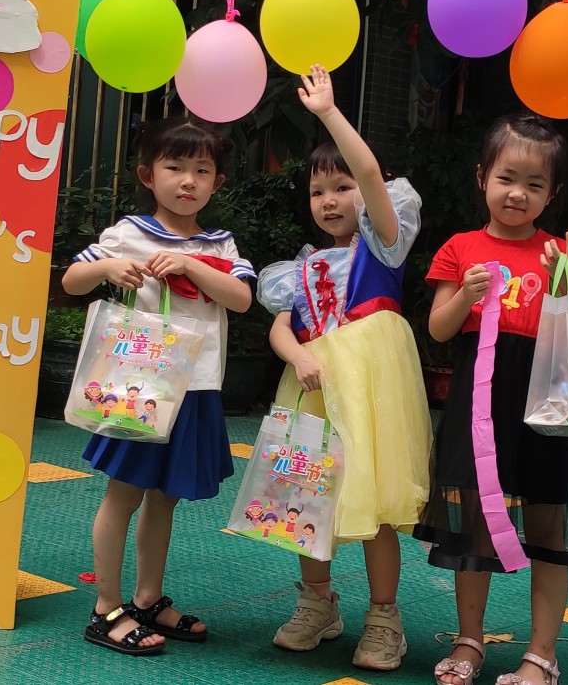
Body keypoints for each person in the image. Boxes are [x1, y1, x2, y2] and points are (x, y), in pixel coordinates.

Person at [416, 112, 568, 685]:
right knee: (473, 520)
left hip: (543, 398)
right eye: (506, 178)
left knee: (548, 524)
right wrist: (465, 293)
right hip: (479, 401)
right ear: (482, 177)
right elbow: (439, 330)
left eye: (534, 184)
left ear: (553, 194)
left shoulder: (561, 253)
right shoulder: (461, 248)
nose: (517, 193)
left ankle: (541, 655)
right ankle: (469, 641)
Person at [257, 65, 432, 672]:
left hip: (374, 390)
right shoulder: (299, 268)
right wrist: (298, 353)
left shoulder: (383, 242)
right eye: (317, 192)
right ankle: (317, 603)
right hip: (314, 388)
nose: (329, 200)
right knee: (308, 496)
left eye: (341, 187)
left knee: (375, 499)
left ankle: (384, 618)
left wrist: (329, 113)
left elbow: (372, 174)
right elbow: (282, 326)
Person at [62, 118, 255, 657]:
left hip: (197, 389)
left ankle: (147, 599)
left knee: (165, 498)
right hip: (139, 389)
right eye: (175, 167)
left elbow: (241, 298)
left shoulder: (221, 244)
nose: (188, 180)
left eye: (202, 171)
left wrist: (191, 263)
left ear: (217, 183)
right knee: (123, 493)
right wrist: (111, 267)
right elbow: (71, 280)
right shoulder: (127, 233)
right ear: (148, 175)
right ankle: (106, 607)